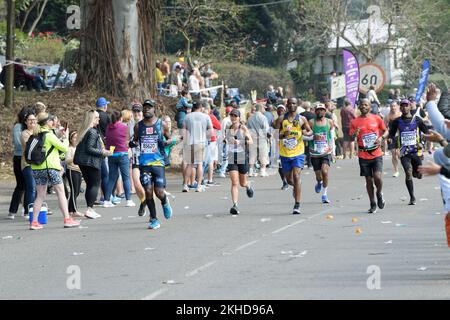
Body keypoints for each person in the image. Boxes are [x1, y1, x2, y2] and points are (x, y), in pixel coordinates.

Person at [29, 113, 80, 230]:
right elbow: (63, 148)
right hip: (51, 168)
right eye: (52, 120)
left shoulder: (37, 133)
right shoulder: (48, 135)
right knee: (61, 193)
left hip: (37, 168)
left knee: (40, 196)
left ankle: (34, 222)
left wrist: (59, 134)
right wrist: (66, 137)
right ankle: (67, 219)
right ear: (47, 122)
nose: (54, 122)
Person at [131, 99, 173, 230]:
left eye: (149, 107)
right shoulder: (138, 126)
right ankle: (154, 219)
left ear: (154, 109)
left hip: (158, 163)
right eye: (144, 108)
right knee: (148, 191)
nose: (146, 110)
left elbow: (169, 138)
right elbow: (135, 140)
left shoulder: (162, 124)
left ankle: (165, 201)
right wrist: (133, 143)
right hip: (144, 163)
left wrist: (168, 142)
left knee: (159, 192)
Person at [349, 98, 388, 214]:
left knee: (377, 177)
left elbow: (386, 131)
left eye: (366, 105)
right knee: (368, 180)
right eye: (362, 105)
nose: (363, 106)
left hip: (376, 153)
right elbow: (350, 137)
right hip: (363, 155)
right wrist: (354, 135)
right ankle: (372, 203)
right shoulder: (354, 122)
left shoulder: (376, 118)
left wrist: (381, 138)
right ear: (359, 107)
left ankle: (379, 193)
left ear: (370, 107)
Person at [388, 99, 429, 205]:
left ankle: (417, 172)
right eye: (402, 106)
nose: (404, 107)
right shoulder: (397, 121)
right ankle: (412, 197)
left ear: (410, 107)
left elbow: (427, 133)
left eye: (406, 105)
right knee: (408, 173)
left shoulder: (417, 120)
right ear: (400, 108)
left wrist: (422, 144)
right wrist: (390, 139)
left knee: (418, 175)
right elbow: (391, 134)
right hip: (404, 152)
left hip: (416, 151)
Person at [276, 98, 313, 214]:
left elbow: (310, 131)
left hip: (298, 152)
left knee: (297, 176)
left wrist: (303, 133)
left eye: (294, 103)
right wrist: (283, 134)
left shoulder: (302, 119)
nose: (292, 105)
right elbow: (275, 134)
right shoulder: (282, 119)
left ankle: (297, 204)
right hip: (285, 153)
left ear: (297, 105)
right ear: (287, 105)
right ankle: (295, 187)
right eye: (290, 103)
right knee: (290, 179)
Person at [103, 111, 135, 208]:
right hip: (123, 154)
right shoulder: (124, 127)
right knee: (126, 178)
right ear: (120, 118)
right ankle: (129, 200)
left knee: (112, 178)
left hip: (112, 154)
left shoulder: (108, 127)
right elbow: (129, 140)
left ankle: (106, 200)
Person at [225, 109, 254, 214]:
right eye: (231, 115)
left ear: (239, 117)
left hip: (241, 157)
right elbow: (227, 139)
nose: (233, 117)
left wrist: (240, 141)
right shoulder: (228, 128)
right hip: (232, 157)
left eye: (235, 116)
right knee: (234, 182)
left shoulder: (243, 128)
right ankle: (235, 205)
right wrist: (226, 140)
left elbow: (251, 141)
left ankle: (248, 185)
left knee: (242, 183)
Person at [7, 106, 34, 219]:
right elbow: (18, 143)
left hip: (28, 159)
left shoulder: (32, 127)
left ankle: (26, 209)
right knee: (21, 185)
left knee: (29, 185)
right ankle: (12, 211)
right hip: (19, 157)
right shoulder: (18, 126)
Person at [181, 101, 212, 192]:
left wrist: (185, 141)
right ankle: (198, 186)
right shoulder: (206, 117)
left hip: (190, 142)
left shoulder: (187, 117)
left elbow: (183, 130)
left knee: (190, 164)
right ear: (201, 107)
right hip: (201, 142)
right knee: (199, 164)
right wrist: (206, 138)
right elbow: (210, 131)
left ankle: (185, 185)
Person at [308, 103, 334, 204]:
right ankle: (319, 182)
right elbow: (305, 135)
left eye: (322, 110)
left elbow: (331, 136)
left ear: (325, 111)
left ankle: (324, 194)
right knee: (319, 176)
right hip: (314, 153)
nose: (320, 112)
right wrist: (312, 137)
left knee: (325, 172)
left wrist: (333, 150)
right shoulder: (311, 123)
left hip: (326, 152)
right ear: (315, 111)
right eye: (318, 110)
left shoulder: (329, 122)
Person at [20, 110, 37, 218]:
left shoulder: (37, 132)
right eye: (30, 120)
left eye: (34, 120)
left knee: (36, 189)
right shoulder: (24, 133)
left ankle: (34, 209)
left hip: (37, 164)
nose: (32, 122)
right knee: (31, 188)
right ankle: (28, 211)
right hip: (27, 164)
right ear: (26, 122)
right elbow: (30, 147)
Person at [96, 97, 111, 205]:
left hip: (93, 144)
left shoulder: (92, 115)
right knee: (105, 173)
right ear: (105, 106)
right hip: (104, 145)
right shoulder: (106, 116)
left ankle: (100, 196)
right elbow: (109, 131)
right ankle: (106, 197)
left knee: (98, 173)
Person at [247, 104, 270, 177]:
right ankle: (262, 171)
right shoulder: (263, 117)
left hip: (252, 138)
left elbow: (247, 129)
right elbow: (266, 129)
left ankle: (250, 171)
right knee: (263, 155)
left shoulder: (250, 118)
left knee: (252, 155)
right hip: (262, 138)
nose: (265, 109)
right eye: (264, 108)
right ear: (260, 108)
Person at [65, 131, 84, 218]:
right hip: (71, 170)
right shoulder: (69, 149)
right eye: (74, 138)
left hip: (79, 171)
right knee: (73, 191)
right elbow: (66, 160)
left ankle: (70, 210)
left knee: (76, 192)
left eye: (77, 137)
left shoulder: (79, 148)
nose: (76, 139)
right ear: (70, 139)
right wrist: (75, 157)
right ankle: (74, 210)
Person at [202, 102, 221, 185]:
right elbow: (219, 126)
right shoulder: (211, 117)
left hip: (201, 139)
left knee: (201, 160)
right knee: (210, 160)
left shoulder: (199, 116)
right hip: (211, 140)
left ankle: (200, 178)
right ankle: (210, 179)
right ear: (208, 109)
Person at [273, 104, 289, 190]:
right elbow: (274, 133)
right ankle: (284, 181)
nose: (280, 111)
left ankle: (290, 180)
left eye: (282, 109)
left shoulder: (288, 120)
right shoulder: (274, 122)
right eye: (279, 109)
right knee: (280, 166)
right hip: (278, 145)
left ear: (285, 110)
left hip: (289, 145)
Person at [384, 100, 402, 177]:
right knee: (393, 154)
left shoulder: (401, 115)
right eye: (391, 106)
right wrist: (385, 136)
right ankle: (396, 170)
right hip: (391, 137)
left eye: (394, 106)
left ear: (397, 106)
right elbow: (384, 127)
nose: (393, 108)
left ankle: (406, 165)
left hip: (400, 136)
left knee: (399, 154)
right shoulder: (387, 116)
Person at [217, 106, 233, 178]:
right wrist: (224, 138)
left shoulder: (227, 120)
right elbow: (223, 130)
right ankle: (222, 171)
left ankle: (226, 170)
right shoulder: (226, 120)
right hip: (226, 139)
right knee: (226, 157)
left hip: (228, 139)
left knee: (228, 156)